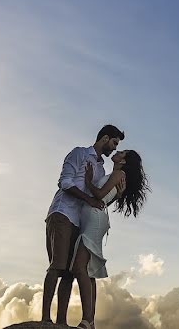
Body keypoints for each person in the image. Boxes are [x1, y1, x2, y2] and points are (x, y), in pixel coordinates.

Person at [41, 124, 124, 326]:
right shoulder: (79, 153)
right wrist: (90, 199)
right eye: (114, 143)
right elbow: (65, 182)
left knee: (69, 272)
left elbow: (98, 197)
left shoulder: (101, 168)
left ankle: (61, 322)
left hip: (80, 221)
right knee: (57, 267)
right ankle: (45, 320)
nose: (114, 148)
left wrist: (116, 194)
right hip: (62, 213)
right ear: (105, 138)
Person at [70, 149, 149, 329]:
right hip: (92, 217)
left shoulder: (119, 173)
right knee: (88, 271)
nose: (118, 152)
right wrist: (118, 195)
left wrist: (88, 181)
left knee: (79, 268)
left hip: (94, 220)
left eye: (122, 153)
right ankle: (89, 321)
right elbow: (104, 199)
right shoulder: (114, 174)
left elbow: (98, 195)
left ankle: (87, 320)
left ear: (123, 162)